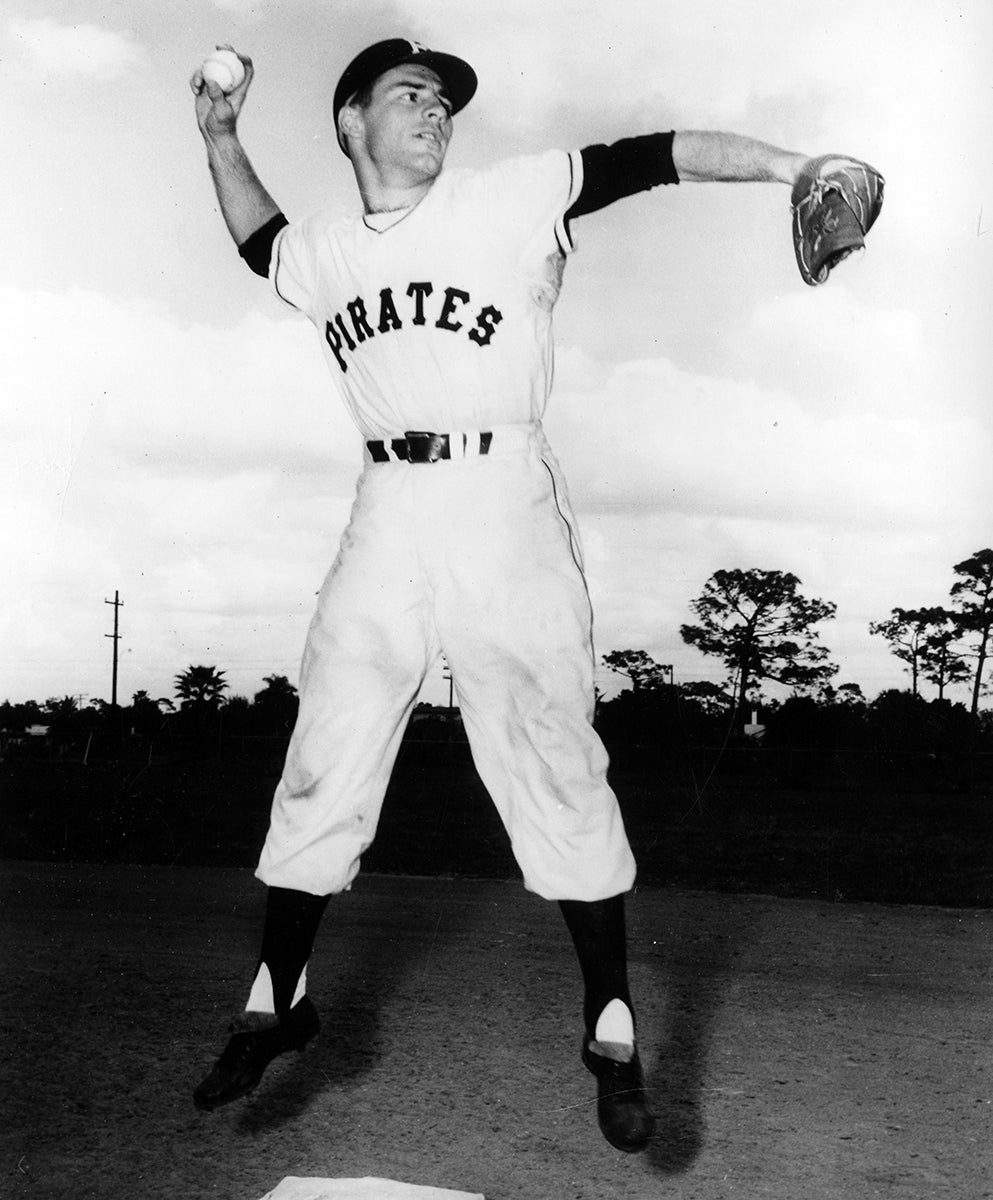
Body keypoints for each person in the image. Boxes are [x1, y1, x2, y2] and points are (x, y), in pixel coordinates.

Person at [189, 36, 815, 1154]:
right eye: (407, 92)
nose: (434, 106)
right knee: (327, 741)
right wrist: (220, 136)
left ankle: (612, 1026)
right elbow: (260, 242)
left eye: (443, 98)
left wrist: (791, 165)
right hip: (386, 507)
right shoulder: (327, 250)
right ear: (349, 125)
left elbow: (655, 155)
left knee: (546, 748)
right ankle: (273, 1002)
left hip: (501, 497)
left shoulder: (509, 198)